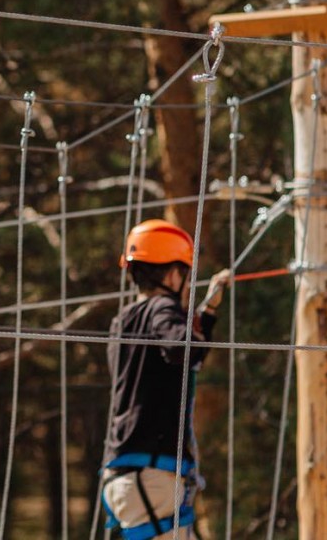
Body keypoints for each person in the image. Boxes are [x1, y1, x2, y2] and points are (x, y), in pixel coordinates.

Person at [103, 219, 232, 539]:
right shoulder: (163, 308)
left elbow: (176, 352)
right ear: (173, 273)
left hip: (123, 474)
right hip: (151, 474)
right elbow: (182, 349)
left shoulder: (124, 321)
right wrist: (198, 323)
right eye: (186, 275)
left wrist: (208, 314)